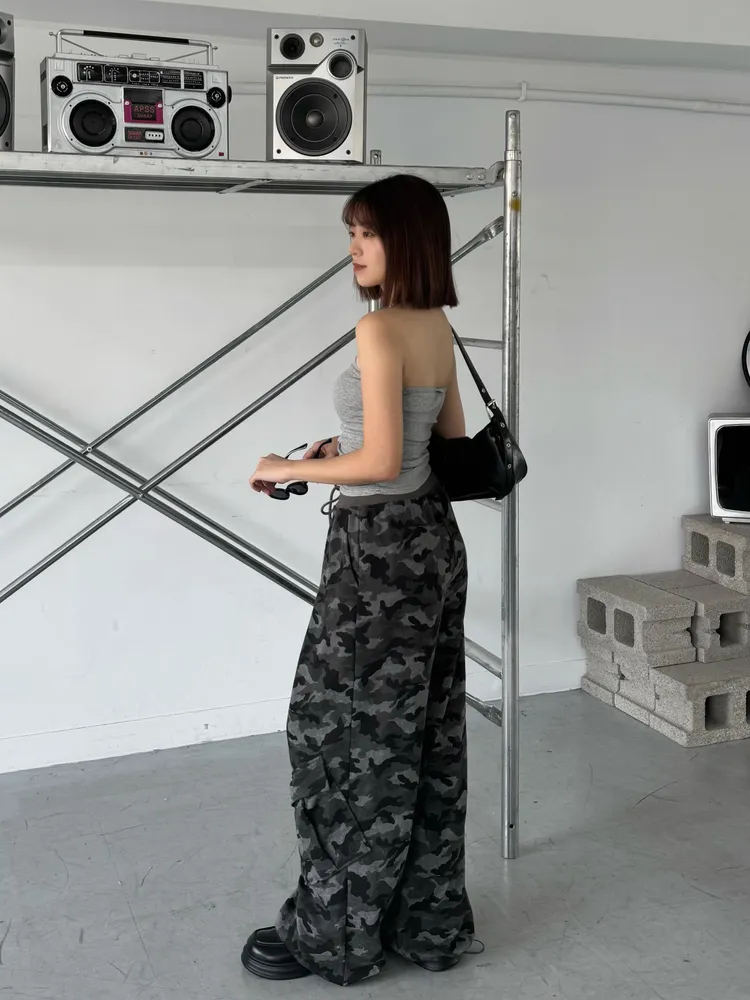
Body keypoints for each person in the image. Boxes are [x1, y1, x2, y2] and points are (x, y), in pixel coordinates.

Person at [243, 174, 477, 987]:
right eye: (351, 232)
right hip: (433, 546)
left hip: (375, 556)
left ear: (406, 240)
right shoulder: (436, 324)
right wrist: (335, 452)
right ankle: (427, 923)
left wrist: (285, 467)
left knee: (340, 737)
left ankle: (337, 936)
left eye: (368, 233)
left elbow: (381, 462)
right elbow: (443, 444)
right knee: (426, 736)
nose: (354, 248)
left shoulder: (378, 330)